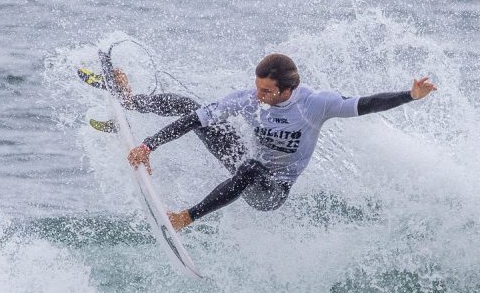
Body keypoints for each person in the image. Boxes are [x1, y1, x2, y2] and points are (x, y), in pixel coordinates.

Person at [114, 53, 437, 231]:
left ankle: (185, 218)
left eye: (266, 91)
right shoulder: (249, 98)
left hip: (272, 190)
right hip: (245, 164)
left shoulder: (315, 104)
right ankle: (129, 101)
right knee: (191, 107)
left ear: (287, 90)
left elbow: (366, 103)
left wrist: (409, 95)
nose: (259, 95)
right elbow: (196, 119)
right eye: (257, 87)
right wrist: (148, 146)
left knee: (252, 168)